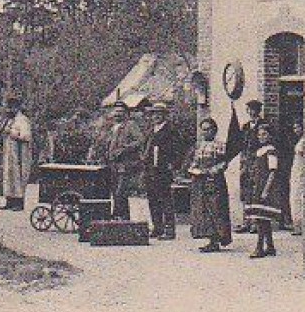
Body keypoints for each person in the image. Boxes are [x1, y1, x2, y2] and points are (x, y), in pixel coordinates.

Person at [185, 116, 233, 252]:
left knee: (216, 209)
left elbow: (223, 163)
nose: (205, 132)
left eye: (208, 130)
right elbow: (194, 162)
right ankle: (209, 238)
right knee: (203, 209)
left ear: (214, 130)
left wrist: (210, 171)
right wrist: (194, 170)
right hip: (199, 181)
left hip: (214, 180)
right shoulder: (199, 145)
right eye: (203, 130)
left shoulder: (220, 145)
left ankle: (217, 239)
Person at [94, 101, 142, 221]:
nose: (117, 114)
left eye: (121, 112)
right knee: (114, 191)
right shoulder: (112, 127)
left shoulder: (130, 125)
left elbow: (140, 140)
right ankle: (121, 218)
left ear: (126, 113)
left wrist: (124, 149)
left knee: (121, 191)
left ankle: (120, 217)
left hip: (124, 164)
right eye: (116, 111)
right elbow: (105, 143)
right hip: (112, 164)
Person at [245, 121, 283, 259]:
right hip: (257, 185)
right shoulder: (259, 151)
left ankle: (259, 247)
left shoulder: (271, 151)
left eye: (264, 134)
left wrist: (266, 190)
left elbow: (273, 171)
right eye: (259, 134)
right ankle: (271, 247)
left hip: (265, 186)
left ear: (270, 135)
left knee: (261, 219)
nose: (261, 137)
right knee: (263, 219)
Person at [142, 101, 181, 240]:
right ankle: (157, 227)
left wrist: (174, 164)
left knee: (165, 199)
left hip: (163, 169)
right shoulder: (151, 131)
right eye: (154, 114)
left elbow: (178, 149)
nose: (156, 116)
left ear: (165, 115)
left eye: (159, 113)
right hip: (150, 169)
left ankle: (169, 230)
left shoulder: (170, 130)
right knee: (152, 199)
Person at [0, 96, 34, 212]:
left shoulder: (23, 120)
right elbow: (1, 133)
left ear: (17, 108)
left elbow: (26, 136)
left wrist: (12, 133)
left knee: (17, 177)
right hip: (7, 153)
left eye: (11, 108)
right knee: (7, 176)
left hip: (18, 155)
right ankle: (9, 201)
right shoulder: (8, 120)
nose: (9, 110)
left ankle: (19, 203)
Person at [236, 99, 266, 232]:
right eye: (249, 109)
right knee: (245, 192)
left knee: (255, 191)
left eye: (254, 109)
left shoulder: (264, 126)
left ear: (258, 111)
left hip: (257, 161)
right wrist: (242, 162)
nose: (251, 112)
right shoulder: (245, 127)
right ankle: (246, 221)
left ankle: (255, 223)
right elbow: (242, 145)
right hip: (246, 162)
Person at [288, 117, 305, 237]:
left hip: (301, 170)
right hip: (296, 169)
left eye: (298, 127)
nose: (295, 130)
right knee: (294, 196)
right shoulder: (300, 140)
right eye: (294, 128)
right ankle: (297, 223)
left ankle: (300, 225)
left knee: (298, 196)